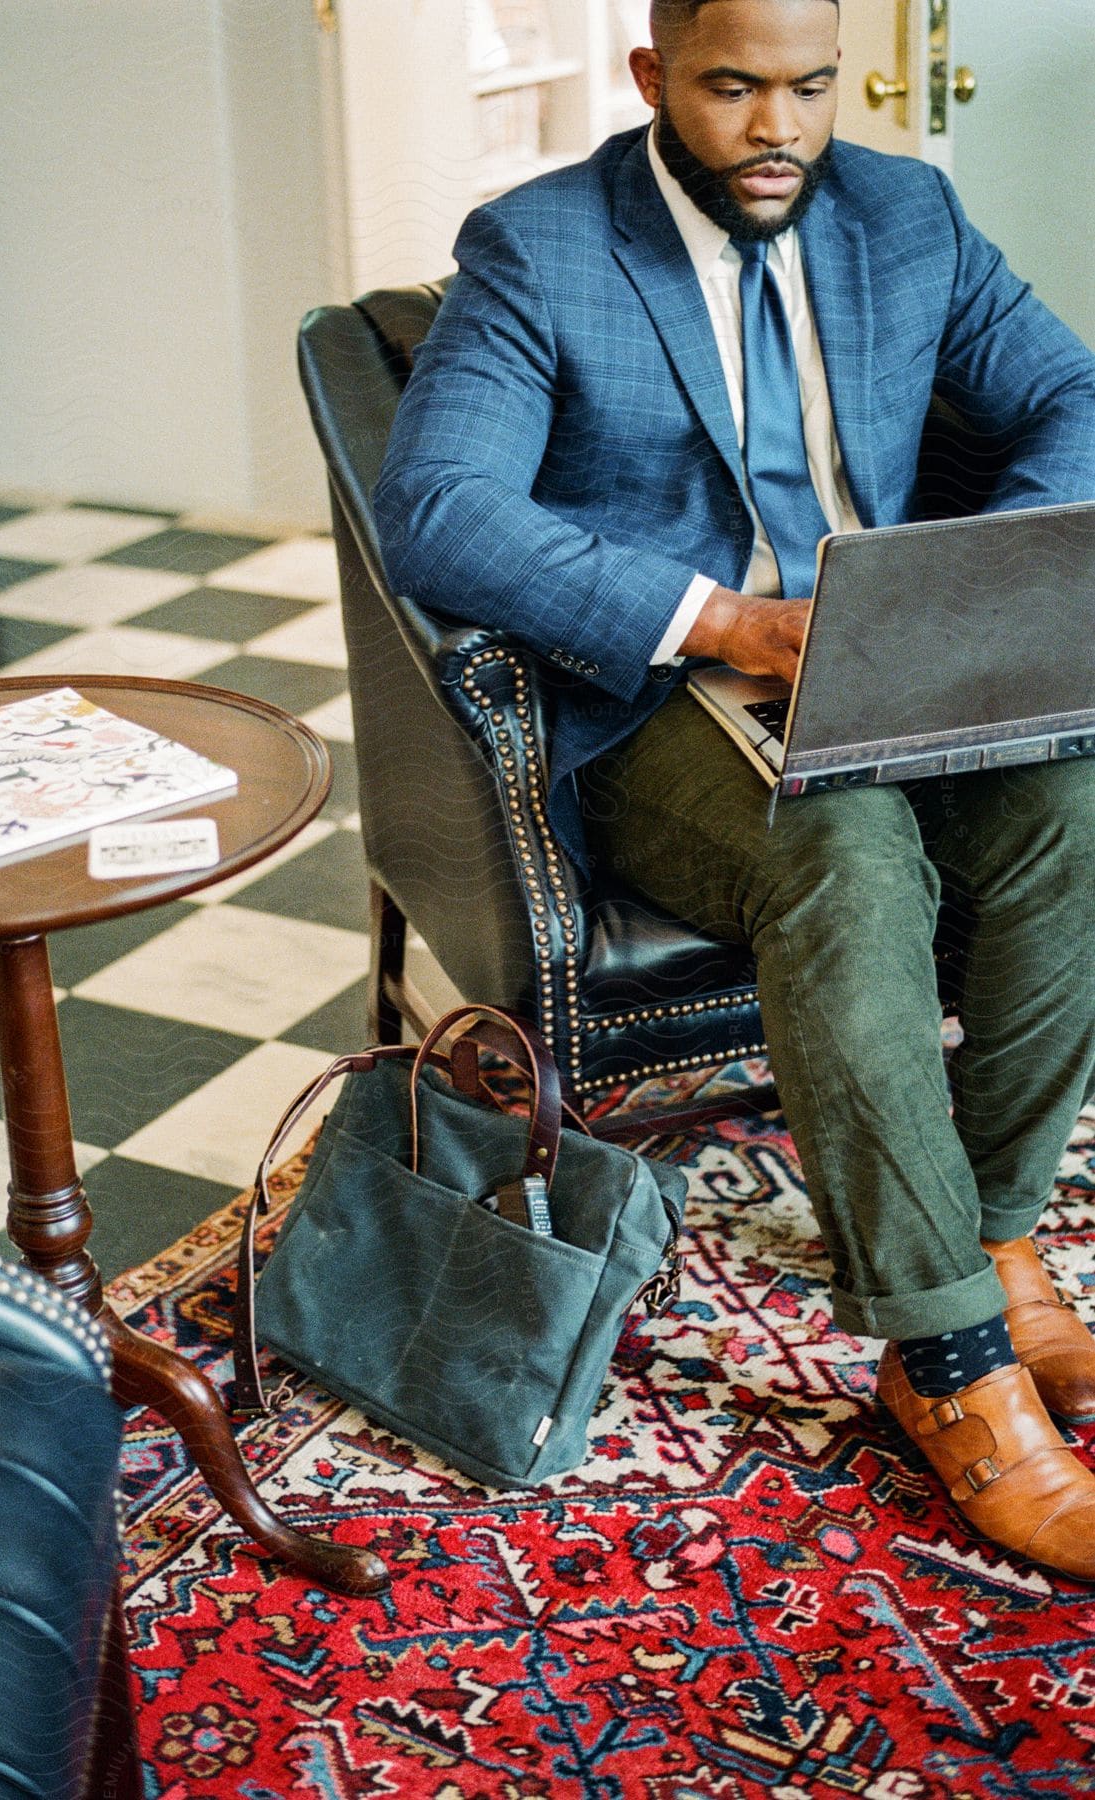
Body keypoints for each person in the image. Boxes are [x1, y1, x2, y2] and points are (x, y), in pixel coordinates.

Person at [373, 0, 1095, 1578]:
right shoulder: (540, 247)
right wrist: (722, 621)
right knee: (838, 847)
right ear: (653, 79)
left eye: (808, 87)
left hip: (893, 657)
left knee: (1076, 805)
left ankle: (990, 1223)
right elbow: (435, 510)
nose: (777, 125)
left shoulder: (906, 214)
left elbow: (1072, 399)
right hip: (663, 696)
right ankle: (948, 1360)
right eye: (732, 86)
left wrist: (979, 582)